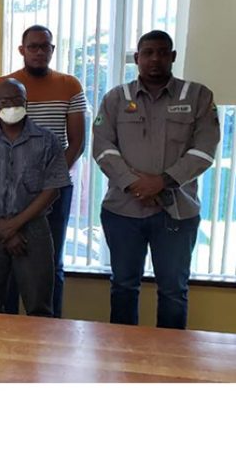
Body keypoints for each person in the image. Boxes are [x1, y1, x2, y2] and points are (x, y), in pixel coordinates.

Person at [93, 30, 220, 329]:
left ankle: (171, 365)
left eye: (163, 52)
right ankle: (124, 357)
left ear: (173, 56)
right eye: (148, 53)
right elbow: (102, 148)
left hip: (177, 212)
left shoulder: (198, 96)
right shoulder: (115, 98)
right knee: (123, 286)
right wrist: (135, 184)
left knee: (173, 291)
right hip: (123, 211)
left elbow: (204, 150)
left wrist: (162, 181)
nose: (155, 59)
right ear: (137, 58)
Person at [0, 25, 87, 318]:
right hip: (9, 191)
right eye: (33, 46)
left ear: (53, 50)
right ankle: (9, 329)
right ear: (22, 50)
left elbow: (77, 142)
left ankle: (49, 327)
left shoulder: (70, 85)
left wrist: (48, 181)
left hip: (54, 190)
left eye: (46, 46)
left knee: (50, 260)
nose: (40, 52)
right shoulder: (3, 86)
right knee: (9, 255)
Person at [0, 79, 70, 316]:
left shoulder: (48, 140)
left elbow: (52, 189)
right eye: (5, 101)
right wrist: (1, 228)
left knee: (39, 308)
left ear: (26, 102)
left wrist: (14, 226)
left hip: (34, 231)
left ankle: (34, 354)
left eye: (17, 100)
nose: (11, 105)